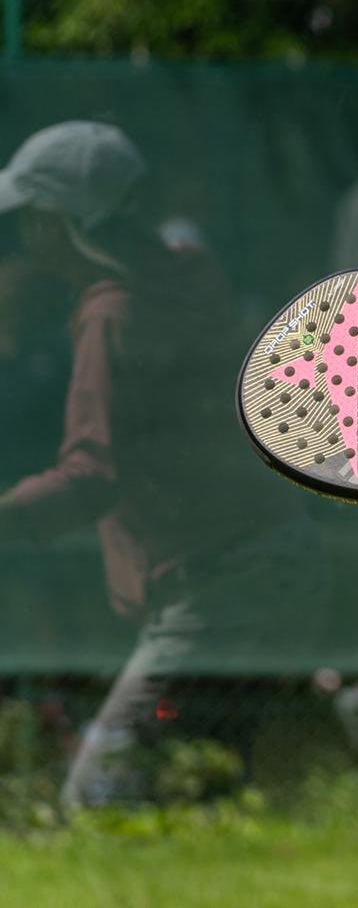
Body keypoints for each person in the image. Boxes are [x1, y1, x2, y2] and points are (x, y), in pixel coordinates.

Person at [0, 121, 315, 809]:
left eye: (29, 214)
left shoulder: (112, 316)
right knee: (207, 787)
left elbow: (90, 477)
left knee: (100, 795)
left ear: (60, 223)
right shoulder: (187, 270)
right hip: (268, 556)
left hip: (217, 583)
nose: (22, 230)